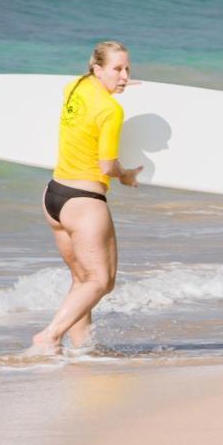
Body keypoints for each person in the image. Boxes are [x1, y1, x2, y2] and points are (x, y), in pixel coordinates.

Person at [28, 41, 142, 355]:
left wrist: (114, 82)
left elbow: (92, 94)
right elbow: (107, 165)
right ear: (97, 68)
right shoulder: (111, 110)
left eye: (127, 69)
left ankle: (84, 348)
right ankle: (49, 336)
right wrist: (126, 174)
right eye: (118, 69)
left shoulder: (74, 87)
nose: (124, 75)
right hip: (85, 201)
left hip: (54, 196)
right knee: (101, 281)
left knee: (81, 279)